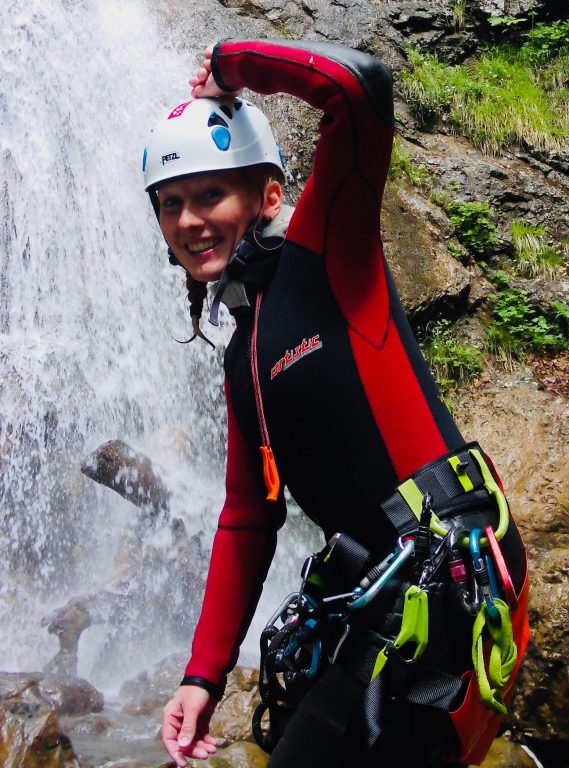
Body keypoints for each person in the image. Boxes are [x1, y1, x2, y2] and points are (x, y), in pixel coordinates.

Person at [143, 39, 530, 768]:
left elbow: (358, 90)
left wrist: (232, 64)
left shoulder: (328, 255)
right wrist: (203, 675)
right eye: (171, 204)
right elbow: (248, 515)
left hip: (450, 573)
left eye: (210, 194)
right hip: (390, 589)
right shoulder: (242, 357)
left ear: (267, 197)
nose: (189, 220)